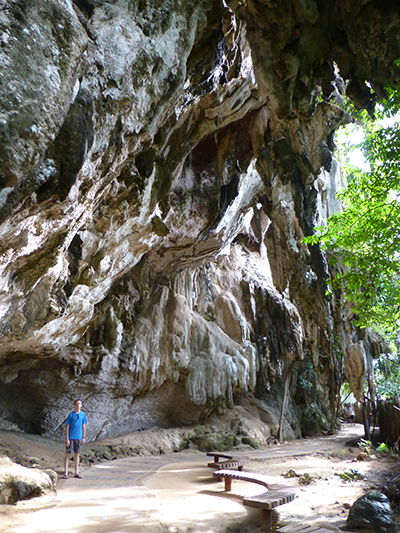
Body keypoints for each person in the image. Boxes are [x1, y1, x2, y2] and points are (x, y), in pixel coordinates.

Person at [63, 399, 87, 479]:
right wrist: (67, 439)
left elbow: (84, 426)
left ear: (81, 405)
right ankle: (66, 473)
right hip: (71, 437)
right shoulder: (71, 415)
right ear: (75, 405)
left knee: (77, 454)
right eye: (77, 404)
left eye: (79, 404)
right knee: (68, 454)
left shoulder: (83, 415)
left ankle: (76, 472)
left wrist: (83, 437)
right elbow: (67, 427)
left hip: (78, 437)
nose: (78, 405)